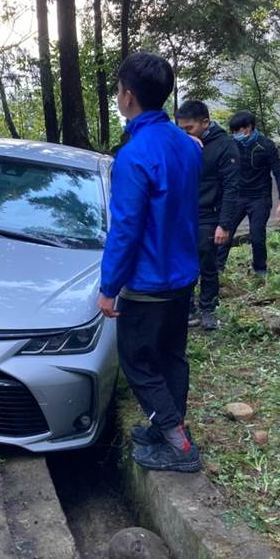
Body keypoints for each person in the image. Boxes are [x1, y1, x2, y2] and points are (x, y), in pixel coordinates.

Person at [98, 52, 203, 473]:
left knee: (138, 362)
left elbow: (125, 229)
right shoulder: (186, 144)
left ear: (128, 96)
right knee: (171, 356)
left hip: (148, 281)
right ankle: (165, 427)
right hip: (181, 276)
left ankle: (178, 445)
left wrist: (109, 288)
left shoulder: (135, 155)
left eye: (119, 90)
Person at [175, 100, 240, 331]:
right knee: (183, 261)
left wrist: (224, 224)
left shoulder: (224, 145)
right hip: (183, 213)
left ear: (205, 122)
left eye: (188, 128)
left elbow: (232, 187)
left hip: (208, 214)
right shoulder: (181, 143)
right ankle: (187, 307)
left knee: (206, 261)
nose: (184, 133)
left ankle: (207, 308)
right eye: (180, 129)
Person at [216, 110, 280, 276]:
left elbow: (278, 173)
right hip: (238, 197)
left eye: (237, 131)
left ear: (247, 128)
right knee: (225, 232)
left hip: (260, 198)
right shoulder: (232, 144)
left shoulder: (266, 145)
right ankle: (218, 269)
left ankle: (260, 269)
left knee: (257, 236)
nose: (234, 135)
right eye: (232, 132)